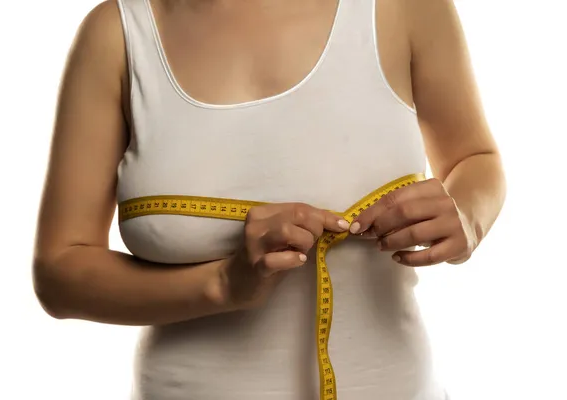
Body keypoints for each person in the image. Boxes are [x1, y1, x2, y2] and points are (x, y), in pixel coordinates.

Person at [32, 0, 506, 398]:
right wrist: (224, 282)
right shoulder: (117, 35)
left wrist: (467, 214)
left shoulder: (404, 8)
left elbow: (475, 158)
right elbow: (60, 270)